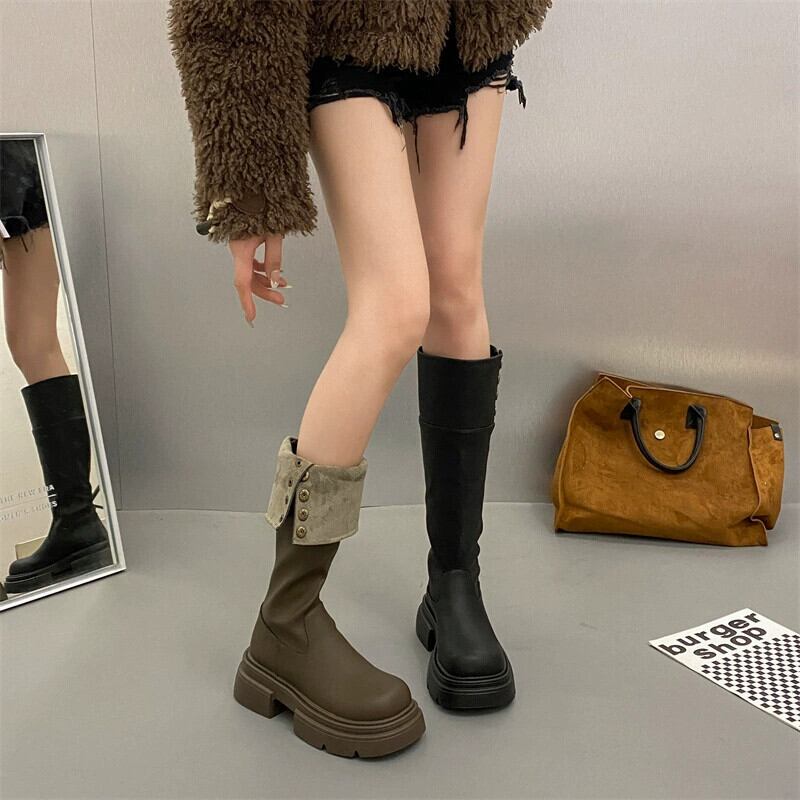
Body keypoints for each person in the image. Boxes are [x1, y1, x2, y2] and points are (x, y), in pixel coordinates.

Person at [167, 0, 552, 758]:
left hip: (464, 29)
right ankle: (287, 621)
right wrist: (247, 181)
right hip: (349, 31)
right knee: (394, 309)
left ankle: (454, 581)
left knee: (456, 292)